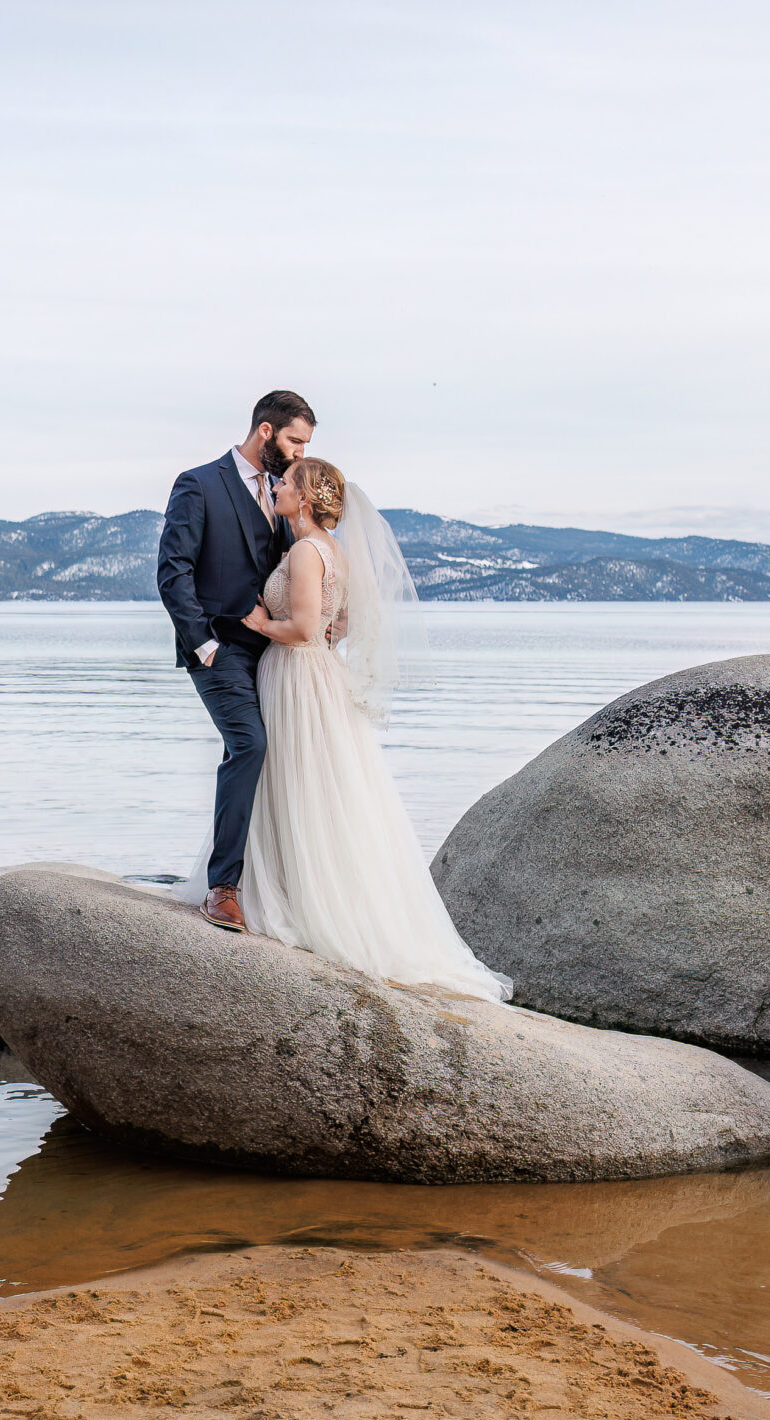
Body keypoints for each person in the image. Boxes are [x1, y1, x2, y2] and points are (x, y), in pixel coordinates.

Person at [197, 453, 511, 1003]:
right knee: (320, 787)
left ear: (308, 498)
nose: (277, 488)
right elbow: (339, 624)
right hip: (320, 673)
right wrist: (307, 635)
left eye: (287, 483)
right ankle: (306, 891)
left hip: (295, 674)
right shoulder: (334, 551)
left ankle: (293, 899)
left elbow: (303, 627)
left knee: (295, 781)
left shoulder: (302, 550)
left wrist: (260, 623)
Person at [156, 391, 312, 933]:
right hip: (217, 649)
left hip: (273, 654)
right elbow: (173, 572)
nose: (299, 455)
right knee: (250, 744)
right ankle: (223, 889)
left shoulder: (287, 496)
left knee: (271, 754)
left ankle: (274, 884)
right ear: (266, 432)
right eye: (294, 441)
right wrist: (203, 644)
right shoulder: (199, 484)